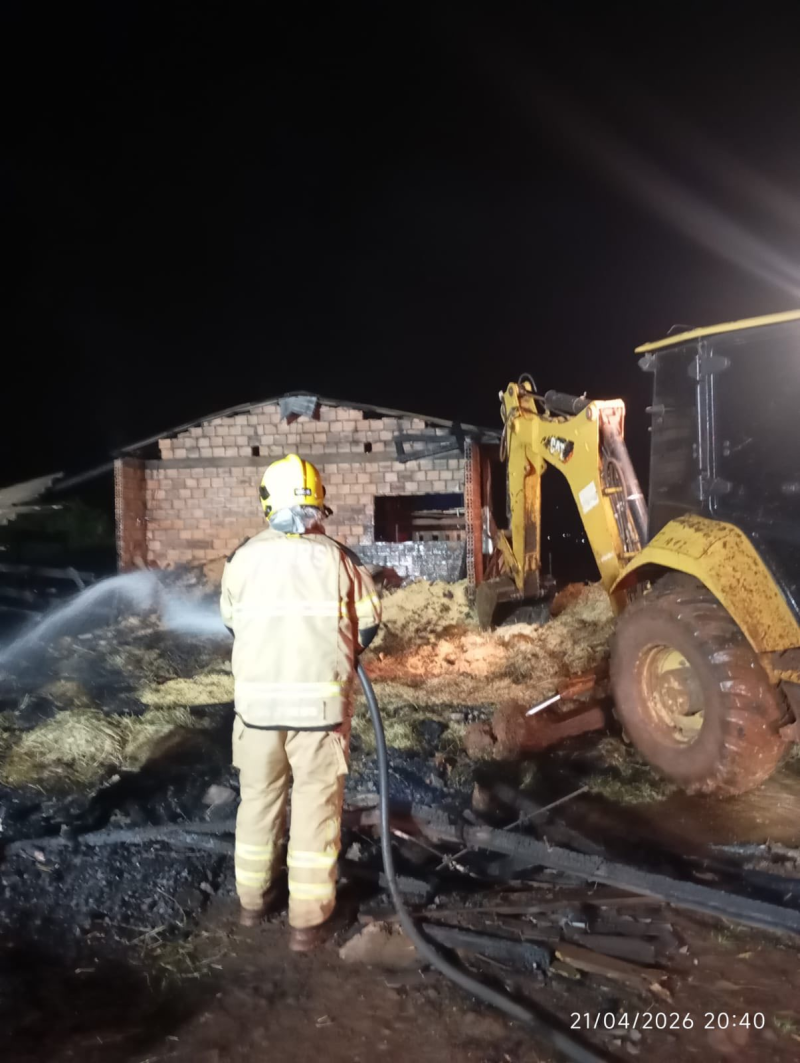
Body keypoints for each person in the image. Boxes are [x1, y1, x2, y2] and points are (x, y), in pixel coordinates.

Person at [220, 453, 381, 951]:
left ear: (268, 502)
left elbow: (230, 620)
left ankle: (251, 905)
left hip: (257, 715)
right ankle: (306, 925)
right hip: (320, 716)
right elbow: (369, 624)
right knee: (315, 808)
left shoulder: (242, 559)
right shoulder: (338, 559)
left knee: (259, 803)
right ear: (317, 503)